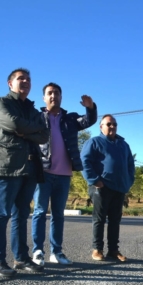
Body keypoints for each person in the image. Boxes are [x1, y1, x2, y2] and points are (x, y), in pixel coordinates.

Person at [31, 83, 97, 266]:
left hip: (64, 174)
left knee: (58, 214)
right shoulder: (37, 118)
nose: (53, 96)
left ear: (61, 97)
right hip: (43, 172)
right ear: (44, 98)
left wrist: (90, 107)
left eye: (57, 93)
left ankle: (56, 252)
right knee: (39, 212)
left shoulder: (70, 119)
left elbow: (88, 121)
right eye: (50, 93)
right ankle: (37, 251)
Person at [0, 68, 49, 277]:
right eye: (20, 79)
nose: (25, 81)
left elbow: (44, 135)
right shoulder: (1, 103)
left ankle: (21, 258)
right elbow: (13, 123)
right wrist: (29, 129)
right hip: (7, 168)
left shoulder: (34, 111)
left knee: (21, 216)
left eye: (28, 79)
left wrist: (23, 130)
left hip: (29, 169)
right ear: (10, 84)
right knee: (0, 215)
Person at [80, 114, 134, 262]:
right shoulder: (94, 142)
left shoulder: (123, 145)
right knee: (99, 219)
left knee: (115, 220)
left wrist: (128, 181)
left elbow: (130, 165)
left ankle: (113, 250)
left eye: (114, 124)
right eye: (109, 124)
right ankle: (97, 249)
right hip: (101, 186)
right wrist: (94, 180)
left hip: (119, 187)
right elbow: (85, 162)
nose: (112, 127)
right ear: (101, 126)